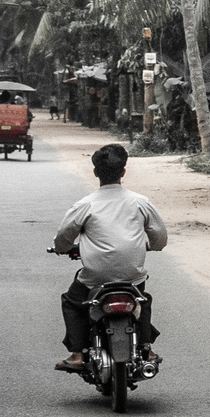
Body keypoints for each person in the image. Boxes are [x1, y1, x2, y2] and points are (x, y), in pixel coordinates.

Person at [51, 144, 168, 372]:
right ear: (123, 171)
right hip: (131, 275)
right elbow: (160, 237)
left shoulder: (85, 205)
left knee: (72, 302)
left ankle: (78, 353)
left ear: (96, 173)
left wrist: (63, 248)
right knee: (142, 300)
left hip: (95, 277)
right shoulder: (140, 202)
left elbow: (63, 237)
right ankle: (146, 347)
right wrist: (151, 245)